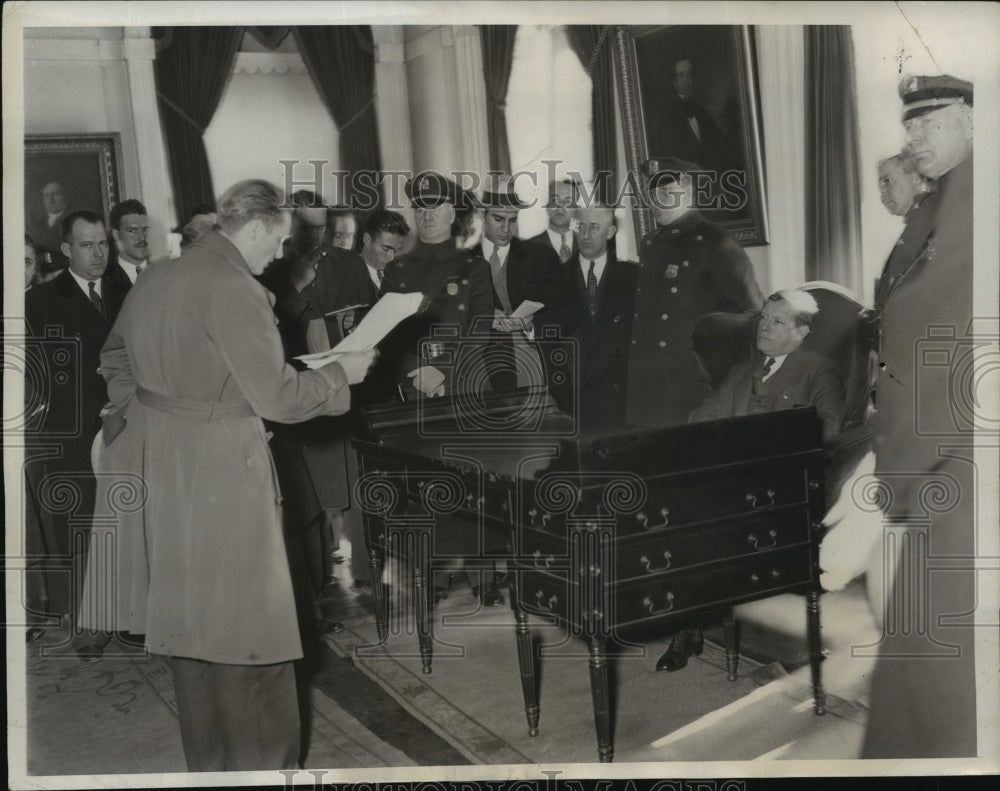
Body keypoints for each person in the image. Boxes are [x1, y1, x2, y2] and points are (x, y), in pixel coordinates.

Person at [84, 179, 376, 771]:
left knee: (189, 630)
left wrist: (150, 409)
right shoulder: (235, 287)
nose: (281, 253)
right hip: (222, 472)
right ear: (255, 228)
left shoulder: (160, 275)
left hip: (164, 469)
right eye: (279, 240)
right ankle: (267, 769)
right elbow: (280, 398)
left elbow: (113, 357)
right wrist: (343, 373)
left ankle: (210, 769)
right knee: (254, 631)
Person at [859, 74, 977, 759]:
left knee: (938, 656)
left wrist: (903, 466)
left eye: (928, 122)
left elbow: (932, 327)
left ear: (968, 118)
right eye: (909, 124)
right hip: (934, 448)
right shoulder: (943, 204)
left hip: (954, 449)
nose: (912, 137)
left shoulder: (974, 198)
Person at [658, 289, 847, 671]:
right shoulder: (744, 370)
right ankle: (689, 625)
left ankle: (690, 623)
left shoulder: (818, 369)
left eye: (777, 321)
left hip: (783, 491)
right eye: (763, 318)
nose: (764, 326)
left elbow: (828, 427)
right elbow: (706, 413)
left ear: (801, 332)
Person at [25, 211, 130, 644]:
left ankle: (131, 613)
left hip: (129, 419)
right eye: (87, 245)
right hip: (78, 428)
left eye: (103, 243)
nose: (98, 253)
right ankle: (91, 620)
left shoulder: (129, 289)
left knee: (129, 518)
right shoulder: (42, 301)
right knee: (84, 526)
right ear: (67, 249)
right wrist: (100, 407)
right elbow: (49, 374)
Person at [626, 157, 764, 428]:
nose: (657, 200)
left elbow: (752, 318)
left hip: (694, 385)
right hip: (651, 383)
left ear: (687, 193)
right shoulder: (650, 243)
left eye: (666, 192)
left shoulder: (716, 242)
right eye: (652, 193)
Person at [475, 175, 577, 393]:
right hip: (480, 373)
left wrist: (531, 323)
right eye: (498, 219)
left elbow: (566, 312)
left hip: (536, 369)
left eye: (513, 220)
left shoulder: (538, 256)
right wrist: (484, 317)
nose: (506, 228)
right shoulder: (463, 261)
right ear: (481, 215)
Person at [562, 201, 638, 430]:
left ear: (610, 231)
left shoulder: (634, 275)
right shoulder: (555, 278)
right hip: (576, 400)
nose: (585, 234)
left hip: (622, 398)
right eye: (580, 227)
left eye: (594, 227)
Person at [645, 56, 739, 180]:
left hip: (711, 185)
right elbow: (666, 163)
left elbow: (721, 147)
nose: (686, 81)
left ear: (694, 79)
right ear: (675, 83)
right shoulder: (667, 121)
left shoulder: (703, 114)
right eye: (681, 75)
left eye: (689, 75)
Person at [527, 179, 578, 263]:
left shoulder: (586, 243)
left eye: (568, 202)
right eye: (555, 200)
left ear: (576, 209)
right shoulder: (529, 248)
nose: (560, 207)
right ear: (547, 206)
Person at [28, 179, 71, 272]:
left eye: (55, 194)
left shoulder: (74, 221)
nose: (50, 200)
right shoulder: (37, 224)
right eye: (46, 195)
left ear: (65, 196)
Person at [107, 199, 152, 286]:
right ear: (116, 234)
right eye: (132, 230)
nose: (142, 237)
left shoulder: (165, 270)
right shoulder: (105, 278)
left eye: (145, 230)